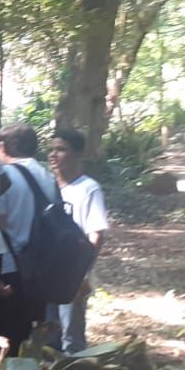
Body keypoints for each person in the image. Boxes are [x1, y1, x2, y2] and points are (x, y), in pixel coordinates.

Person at [0, 122, 58, 350]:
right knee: (28, 336)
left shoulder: (6, 176)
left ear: (3, 147)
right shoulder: (47, 176)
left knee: (6, 337)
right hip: (40, 267)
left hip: (11, 267)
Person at [47, 128, 110, 353]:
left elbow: (96, 234)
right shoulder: (46, 185)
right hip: (45, 271)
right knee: (46, 335)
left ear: (78, 154)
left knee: (71, 337)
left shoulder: (88, 189)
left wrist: (82, 274)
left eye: (61, 149)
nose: (53, 155)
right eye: (51, 149)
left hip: (72, 273)